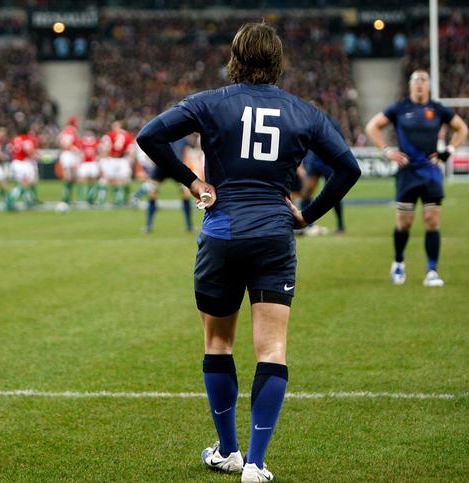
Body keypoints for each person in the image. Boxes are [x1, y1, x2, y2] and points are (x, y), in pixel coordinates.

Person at [137, 22, 361, 483]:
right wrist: (308, 215)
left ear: (234, 57)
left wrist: (194, 181)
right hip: (275, 237)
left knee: (218, 343)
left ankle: (228, 450)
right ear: (279, 60)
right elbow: (348, 168)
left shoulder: (209, 101)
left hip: (222, 232)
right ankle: (257, 464)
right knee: (273, 349)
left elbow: (150, 137)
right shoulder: (305, 111)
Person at [365, 69, 468, 287]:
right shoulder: (399, 108)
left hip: (431, 173)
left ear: (428, 85)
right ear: (410, 85)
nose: (419, 84)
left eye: (423, 80)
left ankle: (432, 270)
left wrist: (449, 149)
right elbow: (372, 127)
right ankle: (399, 262)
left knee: (432, 221)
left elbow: (462, 129)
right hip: (408, 173)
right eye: (416, 80)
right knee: (404, 223)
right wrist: (387, 150)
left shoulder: (437, 109)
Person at [299, 100, 347, 235]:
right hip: (313, 162)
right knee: (306, 192)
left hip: (329, 164)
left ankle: (340, 225)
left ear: (322, 107)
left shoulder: (332, 123)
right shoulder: (306, 123)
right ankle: (305, 224)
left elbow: (341, 143)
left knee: (334, 194)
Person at [97, 121, 134, 206]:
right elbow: (130, 150)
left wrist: (102, 159)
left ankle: (101, 199)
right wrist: (130, 161)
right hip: (122, 159)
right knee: (122, 180)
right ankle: (120, 200)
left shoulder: (109, 134)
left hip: (111, 159)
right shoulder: (128, 135)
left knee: (106, 179)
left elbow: (104, 148)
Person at [8, 125, 39, 208]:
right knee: (26, 183)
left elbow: (11, 150)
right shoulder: (26, 139)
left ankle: (28, 201)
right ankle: (11, 199)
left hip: (15, 162)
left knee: (24, 183)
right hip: (23, 163)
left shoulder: (15, 139)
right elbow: (29, 151)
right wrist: (36, 156)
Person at [57, 116, 82, 204]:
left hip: (68, 154)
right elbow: (66, 143)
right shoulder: (70, 130)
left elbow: (59, 141)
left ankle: (68, 197)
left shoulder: (65, 130)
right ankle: (66, 197)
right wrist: (75, 149)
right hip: (68, 154)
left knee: (72, 177)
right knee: (68, 176)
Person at [76, 128, 100, 204]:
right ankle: (81, 198)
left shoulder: (96, 141)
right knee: (82, 180)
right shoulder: (81, 141)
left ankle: (91, 197)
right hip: (84, 163)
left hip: (93, 163)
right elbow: (78, 151)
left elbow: (99, 151)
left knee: (92, 180)